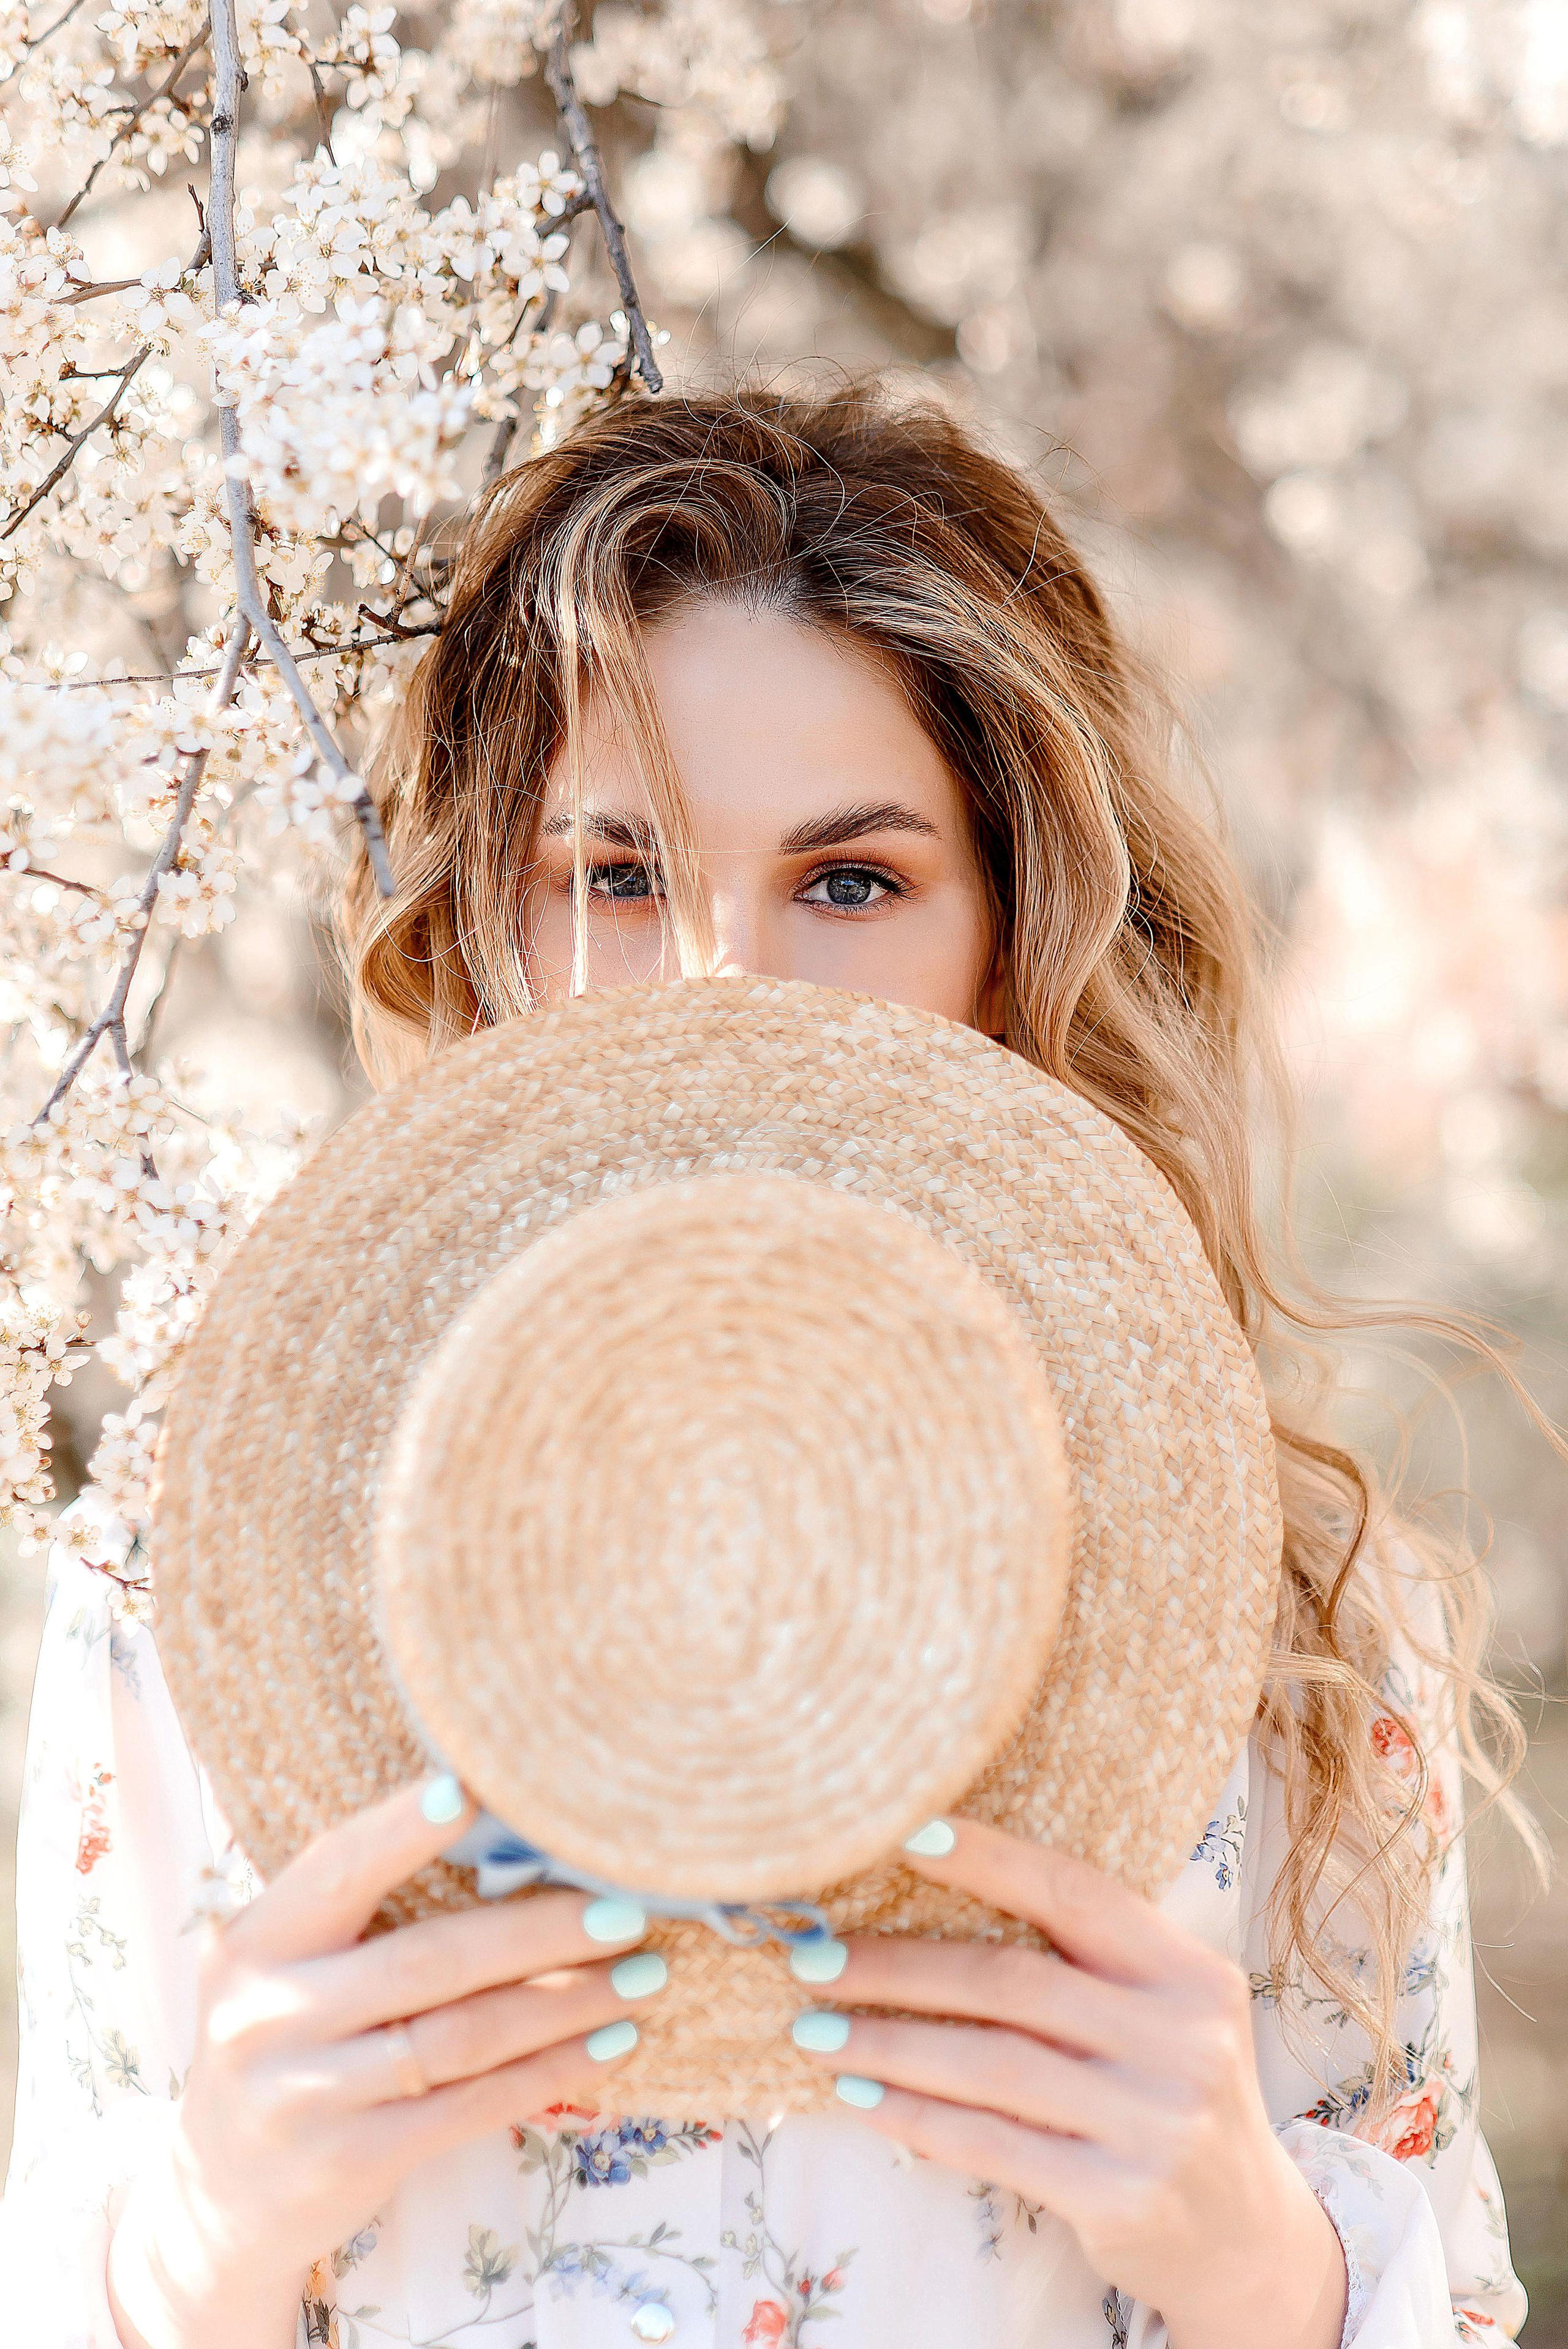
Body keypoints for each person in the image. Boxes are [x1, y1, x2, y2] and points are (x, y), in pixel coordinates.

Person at [1, 385, 1534, 2349]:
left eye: (851, 881)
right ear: (486, 925)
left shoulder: (1288, 1616)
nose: (728, 986)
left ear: (1012, 942)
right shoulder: (198, 1574)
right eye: (614, 877)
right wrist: (186, 2253)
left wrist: (1262, 2262)